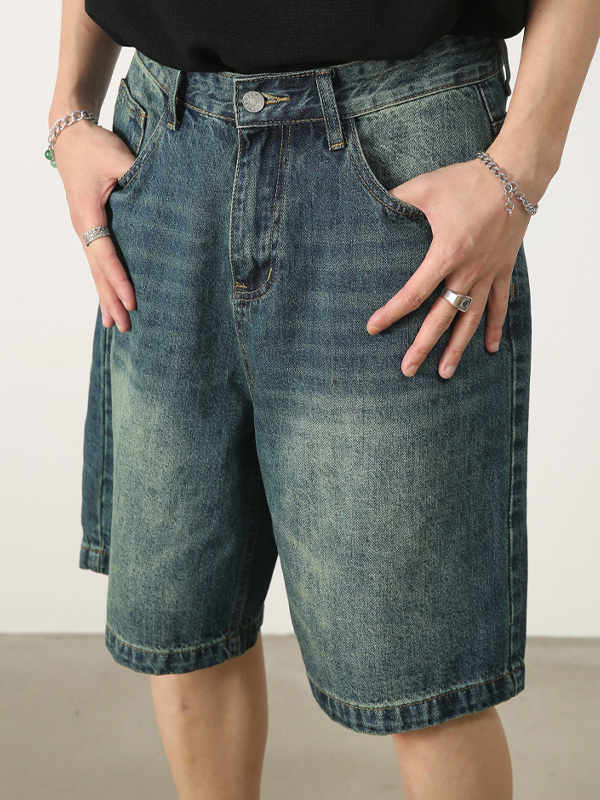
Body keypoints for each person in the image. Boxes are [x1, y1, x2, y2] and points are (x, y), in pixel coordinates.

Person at [48, 1, 599, 798]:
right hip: (167, 135)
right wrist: (68, 110)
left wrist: (525, 164)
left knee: (425, 676)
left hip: (398, 141)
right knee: (187, 628)